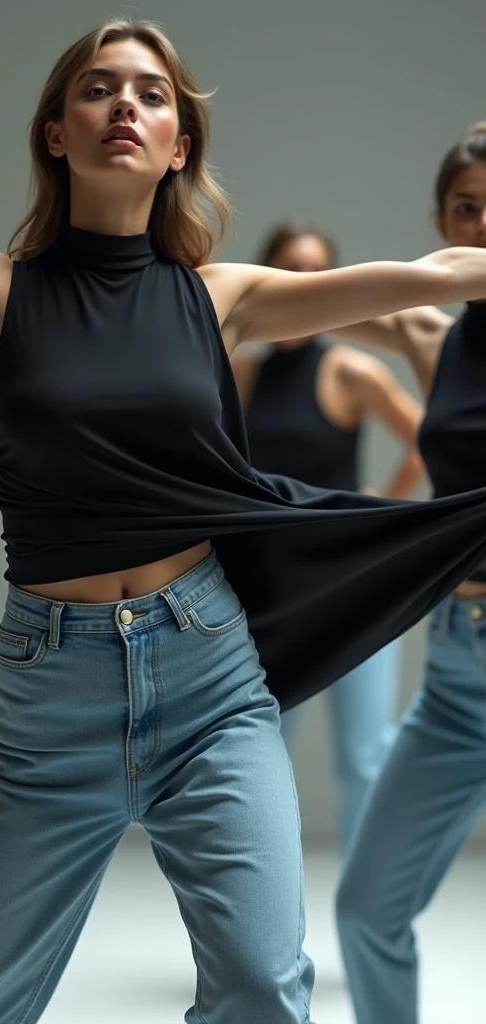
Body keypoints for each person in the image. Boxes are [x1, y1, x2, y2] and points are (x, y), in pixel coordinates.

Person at [0, 20, 486, 1024]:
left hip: (209, 676)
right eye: (98, 88)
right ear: (54, 132)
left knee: (262, 986)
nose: (126, 104)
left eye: (153, 95)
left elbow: (431, 277)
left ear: (179, 147)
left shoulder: (221, 297)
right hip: (50, 701)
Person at [334, 122, 486, 1024]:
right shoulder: (432, 336)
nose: (484, 227)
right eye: (467, 211)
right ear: (441, 221)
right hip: (457, 667)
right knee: (367, 908)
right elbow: (290, 305)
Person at [230, 221, 425, 850]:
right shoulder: (243, 375)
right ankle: (265, 927)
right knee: (257, 760)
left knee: (365, 758)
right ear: (270, 278)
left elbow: (426, 436)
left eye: (319, 271)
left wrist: (381, 505)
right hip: (270, 595)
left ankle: (361, 917)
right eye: (292, 268)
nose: (306, 283)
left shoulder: (349, 369)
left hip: (354, 587)